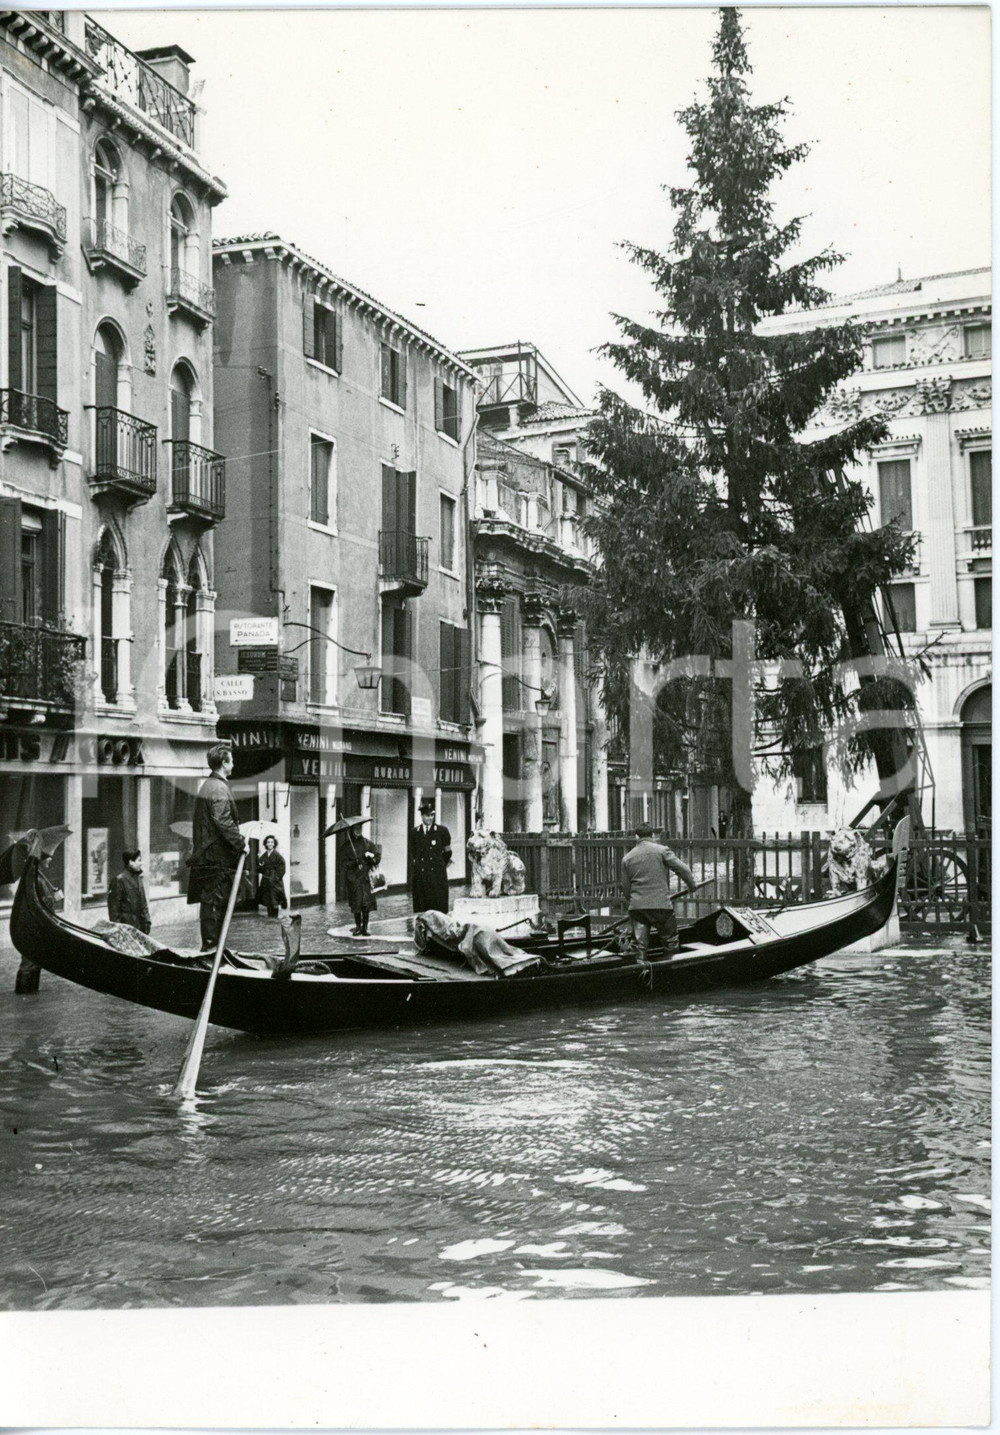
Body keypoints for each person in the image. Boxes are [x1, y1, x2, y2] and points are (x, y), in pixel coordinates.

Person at [187, 743, 248, 951]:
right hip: (215, 857)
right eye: (231, 761)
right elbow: (223, 820)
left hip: (211, 855)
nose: (234, 765)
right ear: (224, 763)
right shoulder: (218, 787)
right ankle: (212, 949)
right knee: (214, 901)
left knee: (213, 900)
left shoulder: (210, 785)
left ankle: (214, 947)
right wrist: (241, 843)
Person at [620, 823, 697, 963]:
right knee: (670, 941)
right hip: (661, 906)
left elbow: (626, 889)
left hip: (638, 909)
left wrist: (634, 901)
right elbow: (682, 869)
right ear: (652, 835)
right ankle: (671, 971)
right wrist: (692, 885)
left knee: (639, 945)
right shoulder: (661, 850)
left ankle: (640, 973)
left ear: (636, 836)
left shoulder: (627, 858)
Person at [409, 796, 452, 915]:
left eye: (432, 815)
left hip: (437, 876)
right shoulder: (414, 832)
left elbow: (448, 852)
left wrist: (439, 865)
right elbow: (413, 853)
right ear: (422, 816)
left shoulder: (442, 831)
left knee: (438, 908)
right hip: (421, 876)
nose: (430, 818)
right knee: (423, 908)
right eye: (427, 815)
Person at [339, 827, 382, 936]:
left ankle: (365, 927)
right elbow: (343, 863)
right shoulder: (347, 846)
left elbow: (377, 857)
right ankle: (358, 926)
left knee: (366, 904)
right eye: (356, 829)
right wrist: (354, 863)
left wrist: (370, 859)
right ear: (352, 830)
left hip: (366, 878)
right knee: (356, 903)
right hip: (354, 879)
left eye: (360, 829)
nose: (358, 831)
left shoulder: (367, 843)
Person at [107, 848, 151, 934]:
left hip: (141, 926)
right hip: (127, 928)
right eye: (139, 860)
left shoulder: (138, 878)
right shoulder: (119, 880)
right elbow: (114, 910)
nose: (141, 863)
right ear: (131, 862)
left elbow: (143, 902)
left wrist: (147, 921)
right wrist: (118, 930)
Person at [256, 835, 287, 918]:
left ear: (274, 844)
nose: (270, 844)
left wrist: (275, 878)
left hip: (275, 882)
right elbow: (259, 869)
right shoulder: (263, 856)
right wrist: (259, 861)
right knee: (268, 901)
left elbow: (282, 869)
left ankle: (274, 919)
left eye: (271, 842)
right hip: (266, 881)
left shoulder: (278, 856)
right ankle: (270, 919)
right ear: (265, 844)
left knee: (274, 901)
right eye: (268, 842)